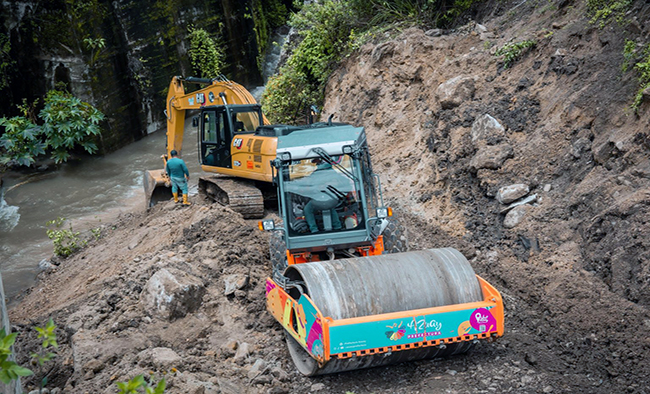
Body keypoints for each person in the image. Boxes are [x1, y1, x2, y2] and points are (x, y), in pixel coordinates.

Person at [303, 158, 342, 233]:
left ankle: (314, 229)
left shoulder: (318, 173)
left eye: (317, 162)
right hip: (330, 197)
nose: (316, 164)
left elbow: (310, 184)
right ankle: (337, 227)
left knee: (307, 209)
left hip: (323, 197)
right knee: (331, 207)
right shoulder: (332, 172)